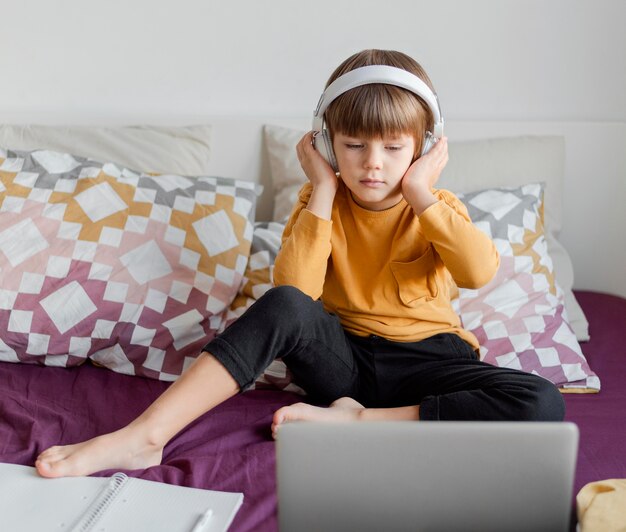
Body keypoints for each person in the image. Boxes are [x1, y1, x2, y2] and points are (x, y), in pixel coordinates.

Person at [35, 49, 565, 479]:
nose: (372, 163)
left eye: (393, 147)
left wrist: (423, 192)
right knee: (284, 301)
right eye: (353, 145)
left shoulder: (437, 207)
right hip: (342, 362)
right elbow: (296, 293)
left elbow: (477, 273)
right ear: (328, 145)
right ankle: (143, 437)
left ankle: (361, 423)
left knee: (540, 402)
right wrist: (322, 192)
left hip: (428, 364)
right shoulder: (317, 205)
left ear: (424, 147)